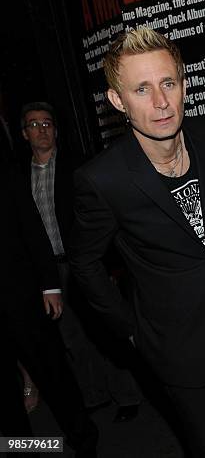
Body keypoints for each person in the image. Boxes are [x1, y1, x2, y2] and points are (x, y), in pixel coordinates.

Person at [70, 27, 205, 457]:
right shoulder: (102, 180)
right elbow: (85, 266)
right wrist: (132, 331)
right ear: (118, 101)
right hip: (177, 349)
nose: (160, 102)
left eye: (168, 83)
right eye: (141, 89)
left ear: (184, 85)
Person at [20, 101, 142, 421]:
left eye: (47, 123)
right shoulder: (20, 178)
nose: (42, 129)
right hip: (48, 272)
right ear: (24, 134)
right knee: (71, 338)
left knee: (104, 331)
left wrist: (111, 266)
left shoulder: (78, 168)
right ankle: (95, 395)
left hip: (83, 266)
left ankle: (128, 396)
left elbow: (105, 218)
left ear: (56, 130)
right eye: (34, 125)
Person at [0, 165, 98, 457]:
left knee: (53, 374)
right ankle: (24, 451)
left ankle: (84, 439)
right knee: (4, 394)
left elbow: (32, 226)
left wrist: (50, 286)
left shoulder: (5, 174)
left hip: (22, 297)